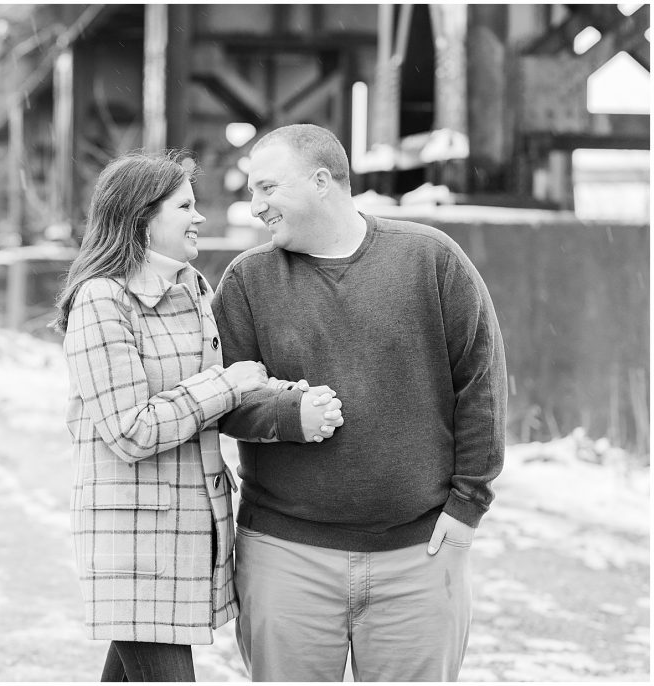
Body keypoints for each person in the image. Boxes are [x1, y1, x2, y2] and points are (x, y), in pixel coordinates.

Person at [211, 124, 507, 682]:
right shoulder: (248, 281)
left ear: (322, 181)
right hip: (285, 553)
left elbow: (481, 383)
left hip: (418, 556)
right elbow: (226, 401)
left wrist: (468, 505)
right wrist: (286, 416)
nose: (255, 207)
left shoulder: (431, 259)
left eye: (267, 188)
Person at [52, 150, 344, 682]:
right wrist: (228, 383)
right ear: (142, 216)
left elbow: (225, 381)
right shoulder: (102, 300)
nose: (200, 216)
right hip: (138, 541)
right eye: (185, 205)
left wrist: (277, 394)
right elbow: (130, 429)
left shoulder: (190, 289)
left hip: (188, 531)